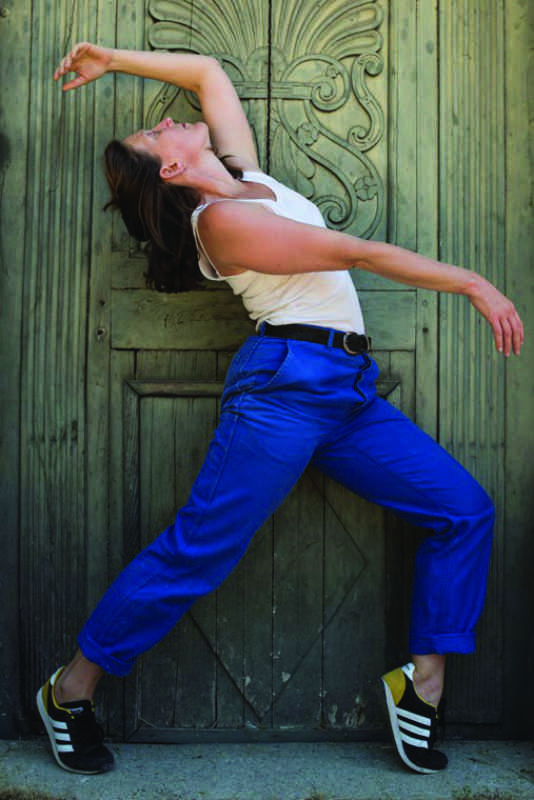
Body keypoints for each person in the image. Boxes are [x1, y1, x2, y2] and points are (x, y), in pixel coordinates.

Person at [37, 42, 524, 777]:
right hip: (285, 389)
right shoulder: (219, 223)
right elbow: (353, 253)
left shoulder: (244, 175)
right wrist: (472, 284)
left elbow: (205, 73)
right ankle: (70, 691)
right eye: (156, 132)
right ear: (170, 169)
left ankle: (421, 687)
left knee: (462, 509)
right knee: (199, 549)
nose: (171, 119)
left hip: (348, 390)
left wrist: (111, 58)